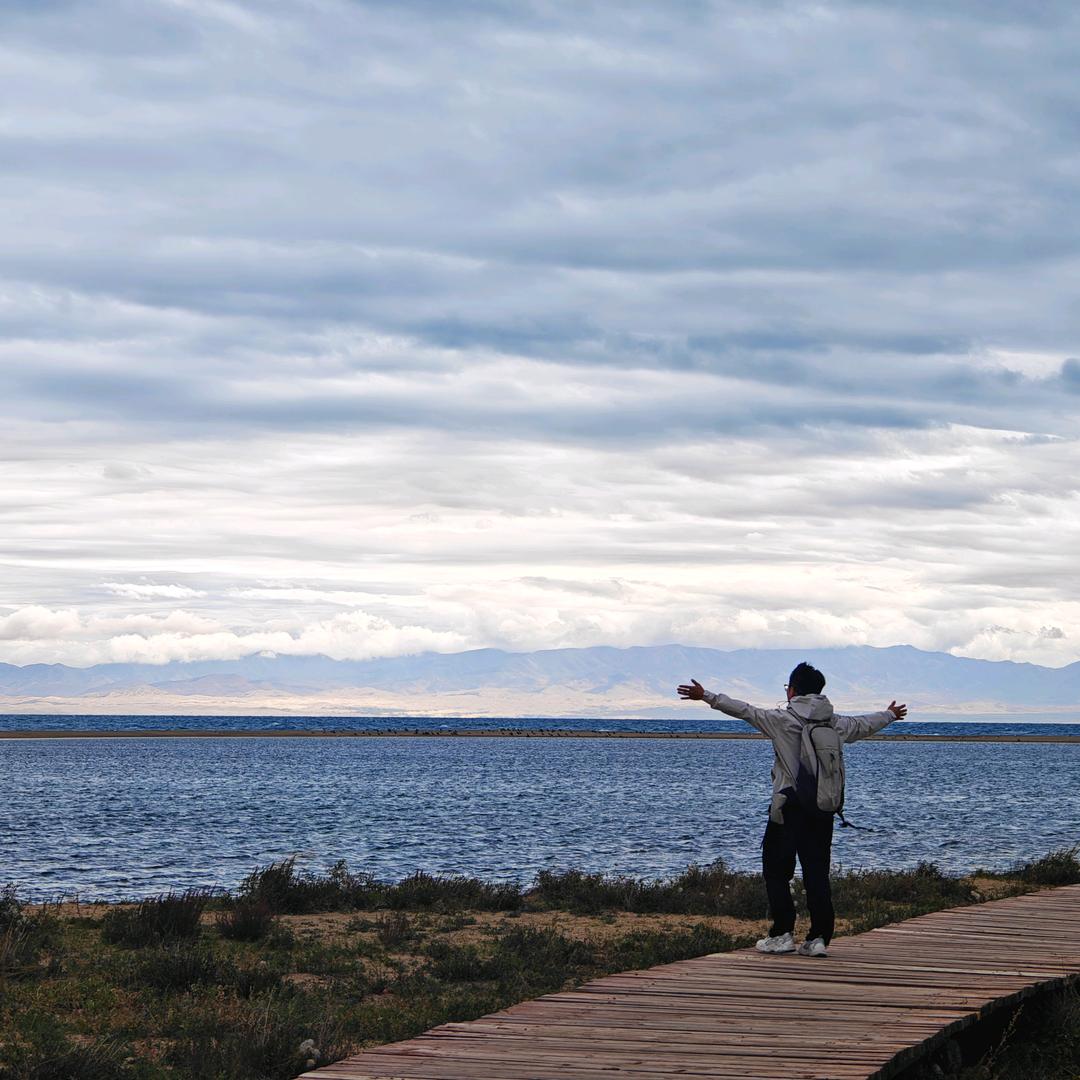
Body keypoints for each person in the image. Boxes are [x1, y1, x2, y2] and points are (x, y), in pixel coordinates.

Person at [677, 662, 906, 957]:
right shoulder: (835, 723)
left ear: (793, 690)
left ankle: (782, 934)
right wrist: (889, 714)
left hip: (788, 808)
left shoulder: (781, 720)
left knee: (776, 871)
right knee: (817, 874)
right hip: (822, 809)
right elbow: (864, 724)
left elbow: (744, 710)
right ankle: (818, 938)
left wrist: (706, 695)